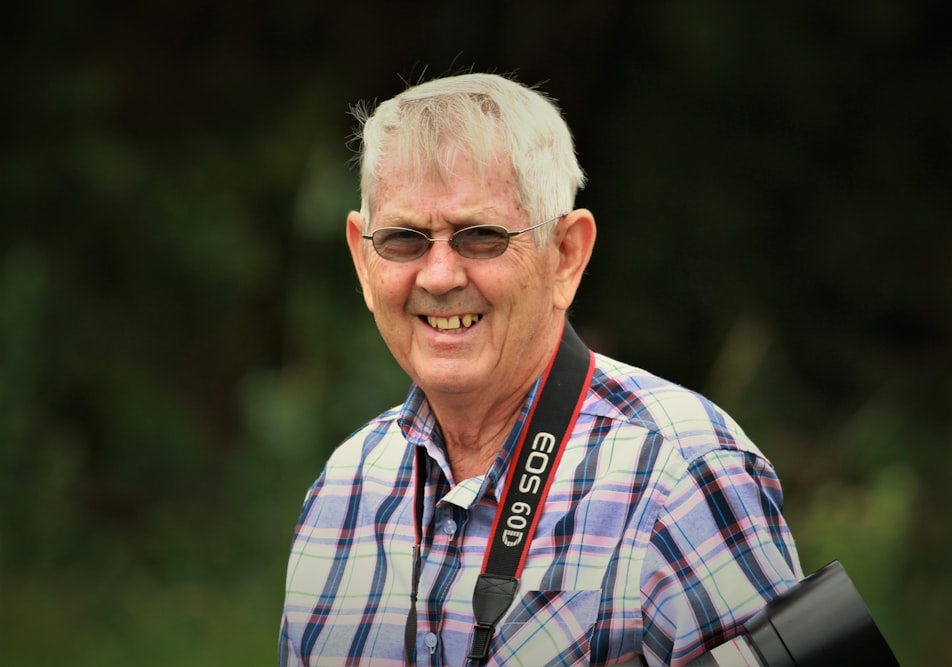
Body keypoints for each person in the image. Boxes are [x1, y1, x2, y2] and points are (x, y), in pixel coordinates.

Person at [279, 72, 802, 667]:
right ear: (362, 258)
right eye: (404, 239)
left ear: (566, 256)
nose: (440, 275)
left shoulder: (680, 477)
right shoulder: (341, 492)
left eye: (480, 237)